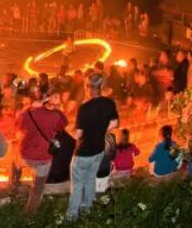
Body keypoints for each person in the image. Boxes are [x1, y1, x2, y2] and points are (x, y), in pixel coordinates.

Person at [66, 74, 119, 221]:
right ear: (100, 86)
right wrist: (101, 130)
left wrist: (67, 130)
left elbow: (78, 134)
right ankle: (87, 210)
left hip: (83, 153)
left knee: (77, 185)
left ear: (87, 87)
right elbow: (114, 124)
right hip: (99, 150)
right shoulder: (109, 103)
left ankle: (71, 216)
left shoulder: (84, 108)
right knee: (90, 180)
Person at [17, 92, 67, 212]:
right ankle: (30, 212)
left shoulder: (28, 113)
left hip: (25, 154)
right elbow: (62, 125)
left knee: (15, 162)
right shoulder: (56, 116)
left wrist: (29, 107)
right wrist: (59, 109)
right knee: (38, 187)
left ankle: (14, 184)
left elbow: (19, 125)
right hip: (43, 157)